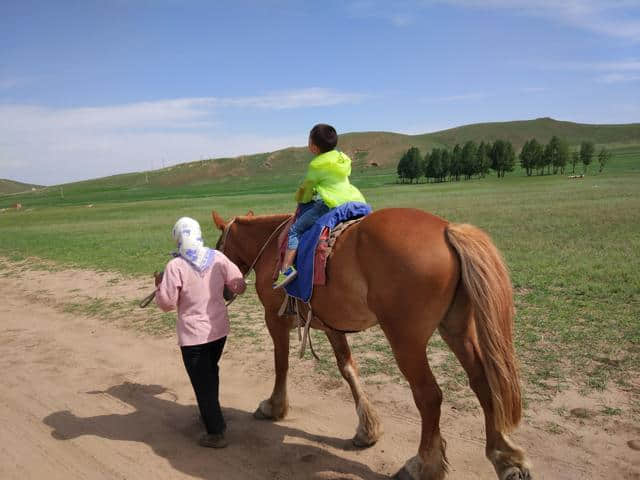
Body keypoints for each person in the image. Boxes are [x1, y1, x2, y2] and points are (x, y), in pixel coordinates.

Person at [155, 216, 246, 448]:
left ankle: (215, 433)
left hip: (193, 337)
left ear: (177, 238)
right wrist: (225, 287)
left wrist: (159, 284)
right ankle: (211, 414)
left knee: (202, 382)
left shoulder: (175, 266)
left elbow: (166, 304)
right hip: (218, 331)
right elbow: (239, 285)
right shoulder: (217, 257)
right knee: (210, 373)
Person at [273, 123, 366, 289]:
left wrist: (302, 198)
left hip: (330, 203)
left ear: (314, 147)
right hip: (354, 199)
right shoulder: (343, 158)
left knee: (295, 230)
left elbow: (307, 189)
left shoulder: (316, 165)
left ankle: (286, 270)